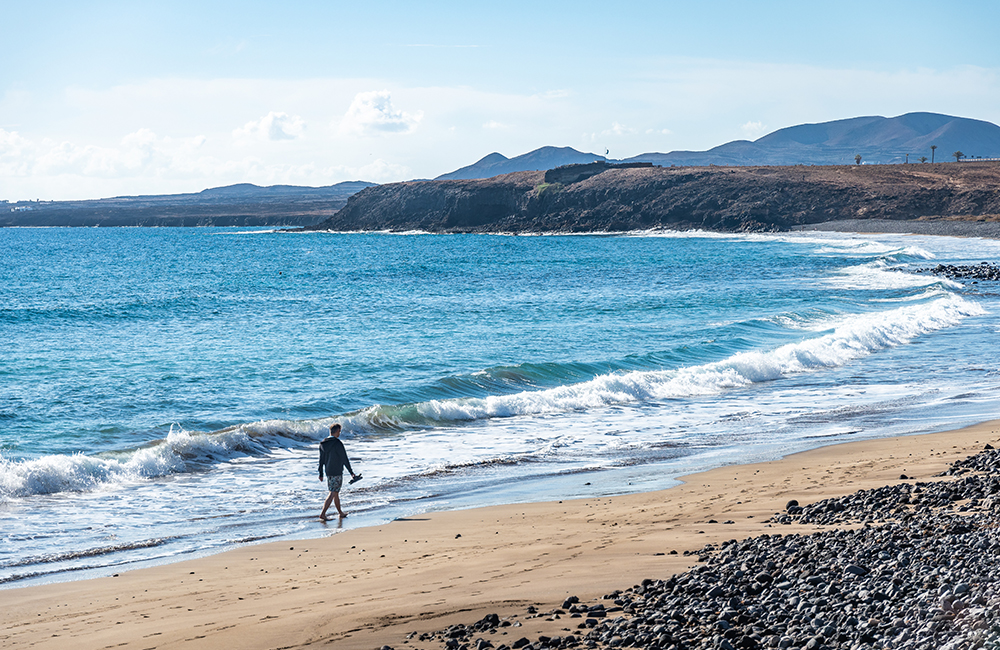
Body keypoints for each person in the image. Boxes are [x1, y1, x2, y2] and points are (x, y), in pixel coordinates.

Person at [318, 423, 357, 520]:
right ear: (336, 431)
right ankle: (323, 514)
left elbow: (321, 460)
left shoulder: (323, 443)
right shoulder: (337, 443)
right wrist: (351, 472)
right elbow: (344, 458)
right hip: (337, 470)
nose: (340, 433)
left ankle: (340, 512)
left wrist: (321, 473)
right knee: (333, 492)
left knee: (335, 493)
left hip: (328, 471)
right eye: (339, 431)